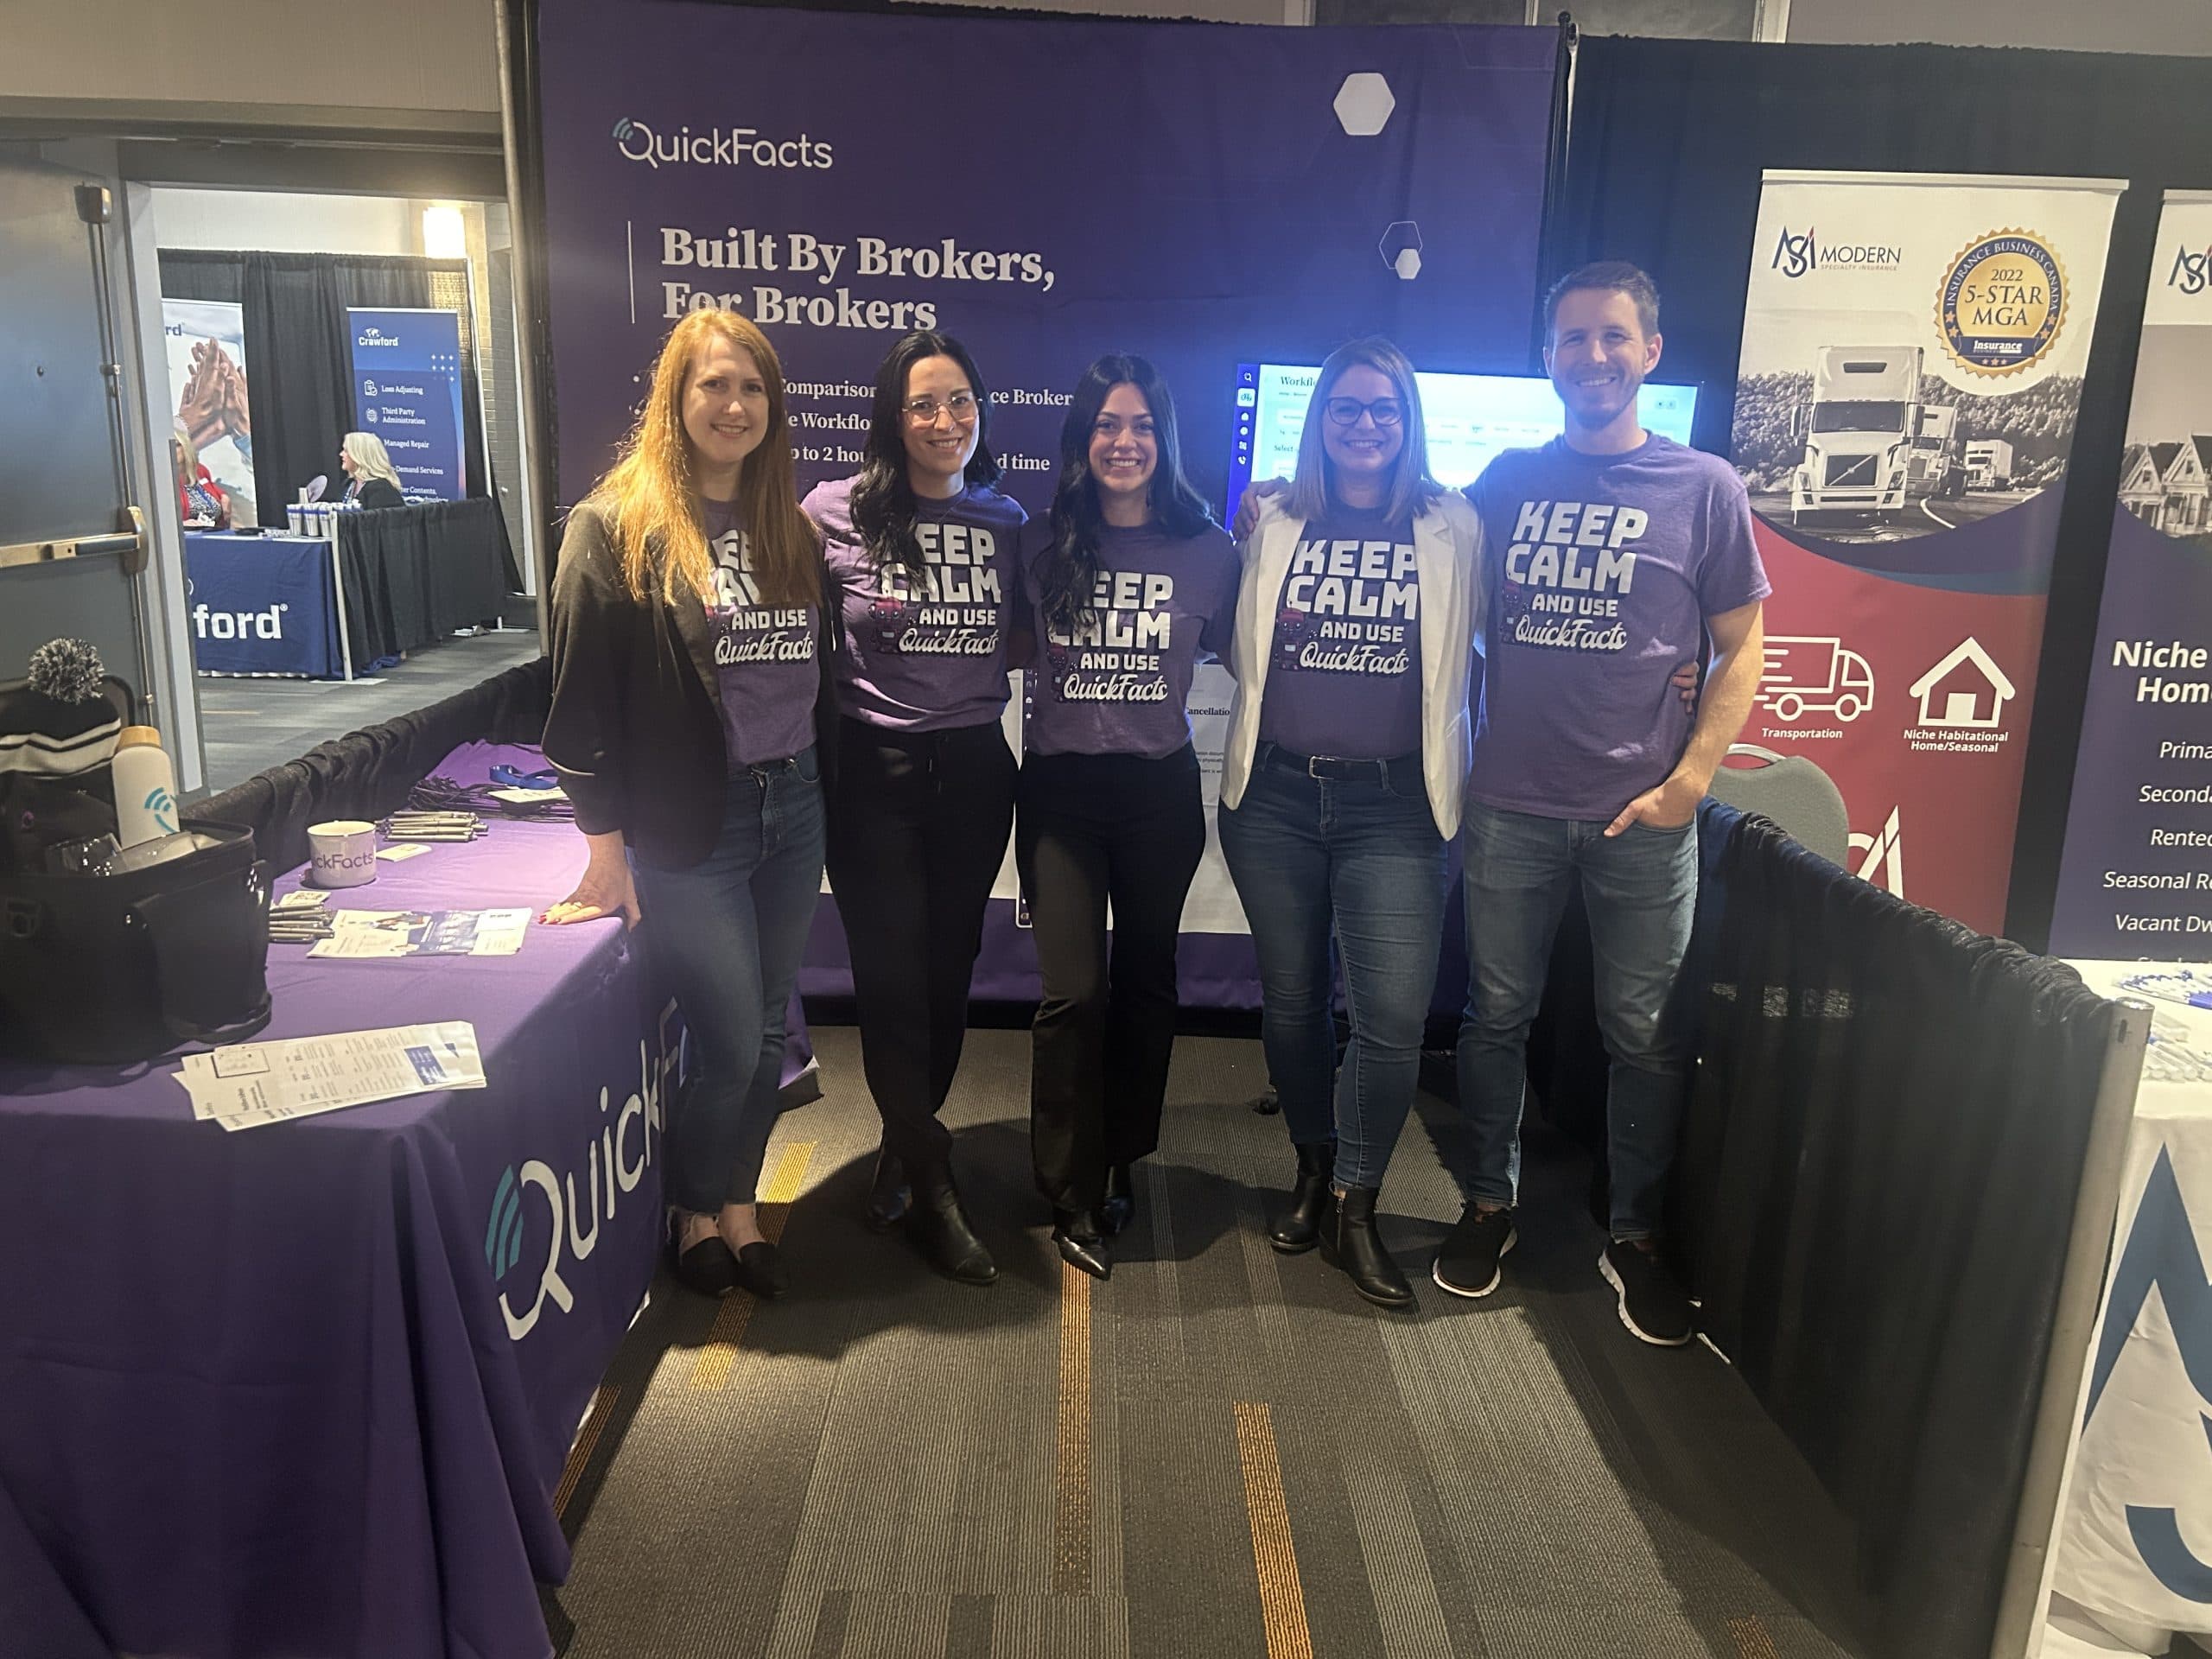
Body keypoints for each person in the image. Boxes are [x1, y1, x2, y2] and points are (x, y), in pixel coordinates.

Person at [1435, 262, 1768, 1347]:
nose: (1593, 357)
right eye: (1573, 339)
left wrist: (1691, 782)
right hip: (1510, 807)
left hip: (1644, 820)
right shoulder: (1503, 482)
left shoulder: (1704, 487)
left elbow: (1742, 646)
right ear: (1548, 358)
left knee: (1645, 1037)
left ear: (1649, 351)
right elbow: (1426, 564)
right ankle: (1487, 1204)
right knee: (1495, 1019)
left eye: (1613, 337)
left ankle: (1634, 1233)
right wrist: (1279, 501)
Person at [540, 309, 836, 1301]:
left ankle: (737, 1210)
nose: (734, 405)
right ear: (675, 397)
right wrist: (604, 849)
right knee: (728, 1043)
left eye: (752, 388)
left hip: (794, 806)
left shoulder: (787, 526)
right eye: (714, 384)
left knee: (766, 1036)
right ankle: (692, 1208)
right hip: (689, 830)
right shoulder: (613, 528)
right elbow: (579, 707)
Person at [1217, 336, 1484, 1310]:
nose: (1365, 425)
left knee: (1391, 1020)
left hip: (1397, 807)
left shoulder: (1456, 524)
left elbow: (1516, 640)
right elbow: (1231, 640)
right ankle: (1311, 1164)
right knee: (1293, 1002)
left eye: (1384, 409)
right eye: (1345, 408)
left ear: (1408, 422)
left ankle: (1354, 1202)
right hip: (1276, 800)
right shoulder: (1271, 519)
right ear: (1318, 420)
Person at [802, 332, 1027, 1287]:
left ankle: (904, 1145)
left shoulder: (1006, 520)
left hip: (975, 770)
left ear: (981, 411)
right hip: (873, 772)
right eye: (924, 404)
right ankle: (933, 1181)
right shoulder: (832, 511)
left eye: (960, 401)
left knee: (947, 972)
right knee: (891, 980)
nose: (945, 421)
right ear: (894, 420)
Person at [1018, 354, 1238, 1281]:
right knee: (1074, 993)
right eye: (1107, 425)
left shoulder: (1210, 551)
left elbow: (1255, 652)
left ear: (1165, 439)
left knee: (1147, 982)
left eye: (1142, 425)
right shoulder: (1038, 542)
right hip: (1062, 795)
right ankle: (1067, 1185)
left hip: (1158, 796)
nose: (1124, 442)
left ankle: (1120, 1160)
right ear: (1082, 438)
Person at [340, 432, 406, 509]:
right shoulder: (349, 484)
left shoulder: (382, 490)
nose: (341, 454)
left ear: (360, 455)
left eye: (346, 451)